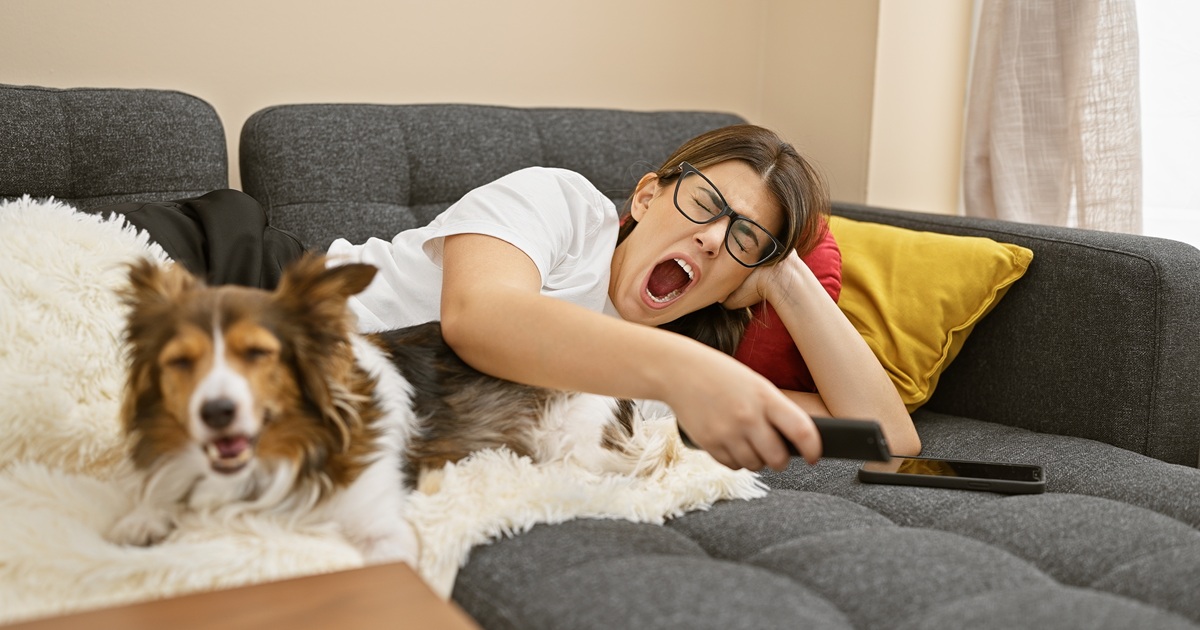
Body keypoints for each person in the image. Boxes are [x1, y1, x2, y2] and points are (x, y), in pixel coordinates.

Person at [326, 124, 920, 472]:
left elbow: (889, 437)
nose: (714, 239)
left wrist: (785, 277)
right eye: (705, 205)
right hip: (275, 305)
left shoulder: (664, 388)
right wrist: (684, 374)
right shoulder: (563, 206)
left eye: (744, 239)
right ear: (644, 199)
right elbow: (477, 319)